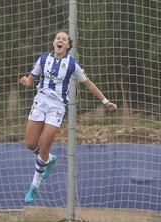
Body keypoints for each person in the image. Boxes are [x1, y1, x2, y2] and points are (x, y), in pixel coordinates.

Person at [19, 31, 117, 204]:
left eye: (64, 39)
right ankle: (50, 159)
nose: (60, 40)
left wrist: (105, 101)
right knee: (30, 143)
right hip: (40, 102)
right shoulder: (43, 59)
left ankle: (34, 186)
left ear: (68, 46)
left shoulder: (72, 65)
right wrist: (26, 82)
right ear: (53, 42)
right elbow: (31, 79)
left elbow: (89, 84)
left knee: (45, 145)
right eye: (58, 38)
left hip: (56, 107)